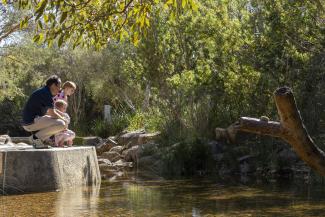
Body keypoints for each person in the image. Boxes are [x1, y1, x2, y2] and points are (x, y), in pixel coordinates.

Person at [22, 75, 68, 148]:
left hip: (31, 122)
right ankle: (36, 139)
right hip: (31, 122)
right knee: (61, 124)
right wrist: (64, 120)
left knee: (60, 120)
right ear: (53, 85)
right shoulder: (45, 93)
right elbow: (52, 113)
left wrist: (63, 115)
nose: (59, 90)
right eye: (59, 86)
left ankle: (39, 140)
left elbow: (52, 110)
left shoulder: (45, 92)